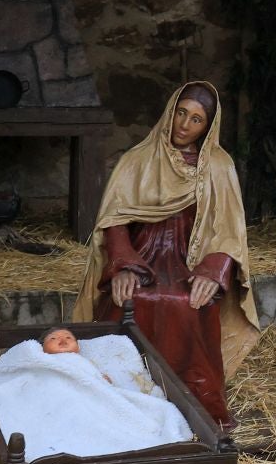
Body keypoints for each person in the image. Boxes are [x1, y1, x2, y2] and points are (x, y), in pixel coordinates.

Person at [73, 81, 257, 432]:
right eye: (181, 113)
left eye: (197, 119)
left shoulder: (218, 166)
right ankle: (115, 400)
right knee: (131, 298)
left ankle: (194, 408)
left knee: (186, 302)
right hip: (141, 257)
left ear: (208, 127)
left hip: (191, 258)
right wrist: (123, 266)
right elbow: (114, 221)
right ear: (170, 112)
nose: (185, 125)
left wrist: (212, 271)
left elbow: (229, 230)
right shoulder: (137, 160)